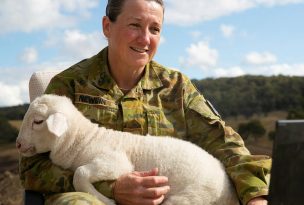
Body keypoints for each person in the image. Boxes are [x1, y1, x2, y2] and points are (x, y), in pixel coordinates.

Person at [19, 0, 271, 204]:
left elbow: (225, 145)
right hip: (88, 196)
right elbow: (31, 168)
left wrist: (255, 196)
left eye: (155, 29)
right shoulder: (67, 86)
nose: (145, 39)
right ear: (107, 26)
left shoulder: (177, 86)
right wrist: (112, 188)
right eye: (135, 25)